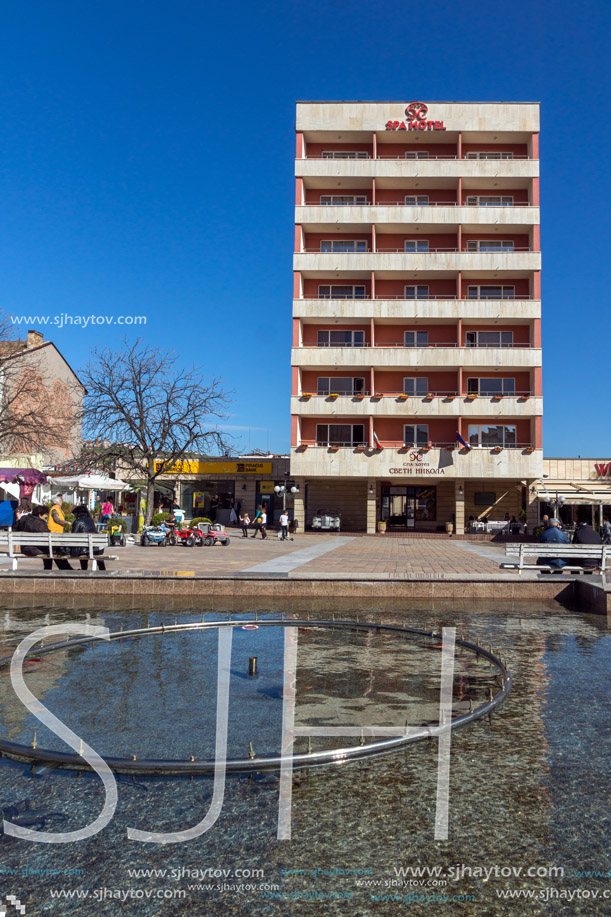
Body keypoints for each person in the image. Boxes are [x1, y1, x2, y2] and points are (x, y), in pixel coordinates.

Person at [15, 505, 74, 570]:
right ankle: (64, 569)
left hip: (25, 548)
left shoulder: (24, 519)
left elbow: (14, 527)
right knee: (54, 551)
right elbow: (48, 537)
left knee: (51, 550)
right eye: (45, 514)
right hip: (33, 549)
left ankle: (50, 569)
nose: (46, 516)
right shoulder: (40, 524)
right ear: (39, 515)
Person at [70, 505, 106, 571]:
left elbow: (73, 536)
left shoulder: (77, 522)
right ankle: (103, 570)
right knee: (90, 550)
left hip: (86, 550)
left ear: (78, 513)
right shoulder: (90, 520)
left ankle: (84, 569)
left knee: (82, 549)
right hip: (98, 548)